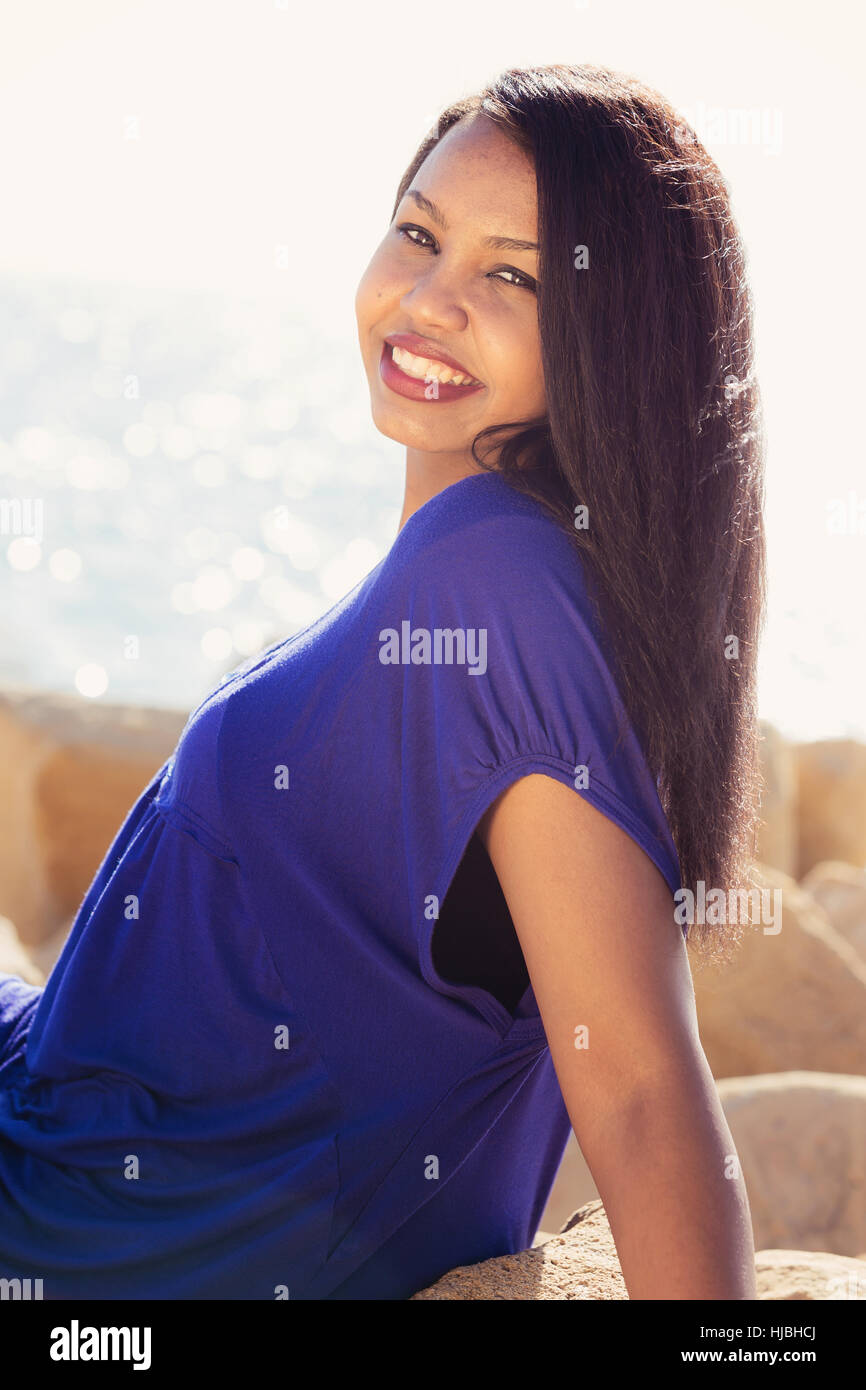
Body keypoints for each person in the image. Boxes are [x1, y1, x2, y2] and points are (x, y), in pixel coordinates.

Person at [0, 62, 764, 1300]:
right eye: (417, 233)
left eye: (511, 273)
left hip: (95, 1238)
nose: (427, 298)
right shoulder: (499, 566)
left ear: (615, 329)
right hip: (79, 1122)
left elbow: (631, 1081)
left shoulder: (496, 590)